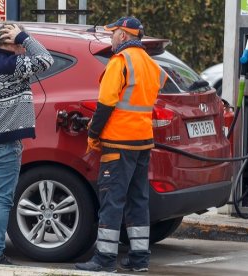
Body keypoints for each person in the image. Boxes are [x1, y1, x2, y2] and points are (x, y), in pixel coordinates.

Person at [75, 16, 167, 272]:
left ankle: (104, 260)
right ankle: (139, 260)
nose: (111, 38)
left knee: (112, 200)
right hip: (142, 142)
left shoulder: (120, 62)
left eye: (113, 33)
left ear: (124, 36)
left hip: (118, 142)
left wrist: (93, 134)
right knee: (138, 200)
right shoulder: (151, 64)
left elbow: (105, 103)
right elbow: (155, 90)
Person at [0, 23, 53, 265]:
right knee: (2, 201)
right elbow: (46, 59)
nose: (23, 49)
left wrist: (9, 38)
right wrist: (24, 37)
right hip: (4, 144)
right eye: (18, 45)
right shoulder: (14, 65)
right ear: (12, 43)